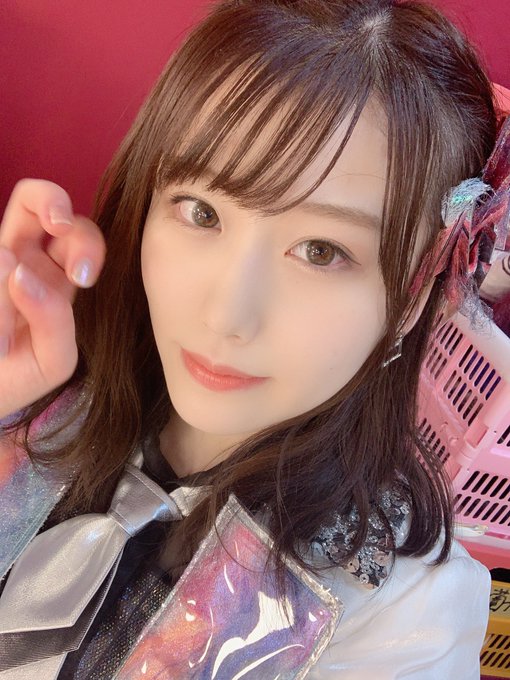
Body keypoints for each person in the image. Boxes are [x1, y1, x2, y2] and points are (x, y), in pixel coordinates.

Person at [0, 0, 508, 677]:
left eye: (321, 251)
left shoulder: (402, 620)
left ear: (414, 294)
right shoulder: (50, 398)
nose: (226, 316)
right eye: (202, 212)